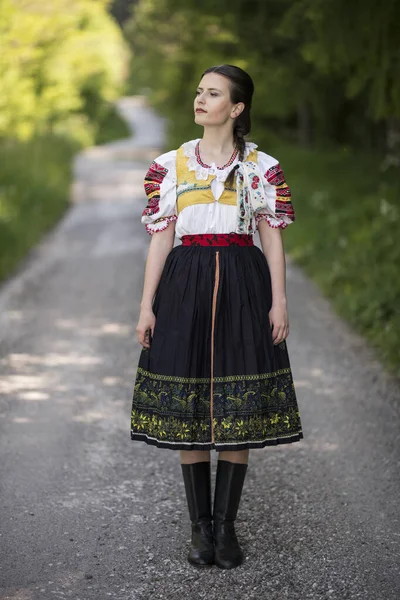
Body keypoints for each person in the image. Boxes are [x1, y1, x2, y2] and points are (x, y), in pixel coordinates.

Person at [131, 64, 303, 570]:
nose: (201, 100)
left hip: (244, 282)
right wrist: (146, 305)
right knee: (187, 402)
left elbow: (272, 238)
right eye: (199, 91)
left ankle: (227, 529)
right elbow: (161, 237)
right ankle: (200, 530)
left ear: (237, 107)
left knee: (238, 405)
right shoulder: (170, 164)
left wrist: (280, 299)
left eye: (213, 93)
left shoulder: (262, 168)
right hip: (184, 282)